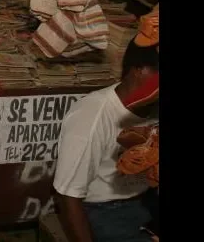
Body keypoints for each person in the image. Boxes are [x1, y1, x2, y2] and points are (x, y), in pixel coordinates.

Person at [54, 39, 159, 242]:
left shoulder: (153, 107)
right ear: (139, 70)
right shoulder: (92, 116)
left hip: (145, 201)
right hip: (104, 210)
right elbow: (68, 196)